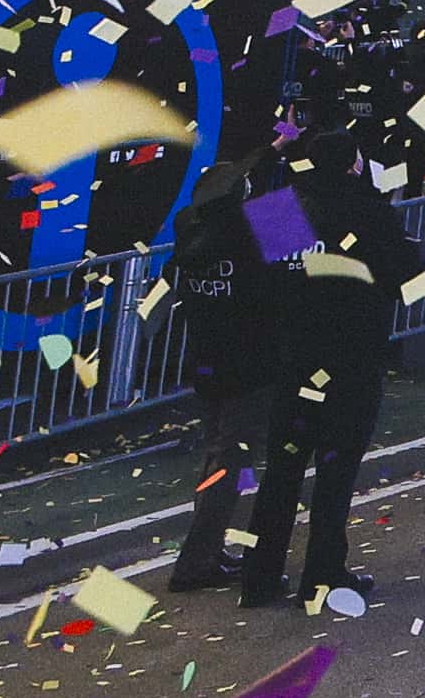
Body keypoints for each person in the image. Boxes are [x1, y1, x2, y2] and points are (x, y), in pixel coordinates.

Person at [237, 137, 411, 613]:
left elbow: (263, 286)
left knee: (282, 472)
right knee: (335, 473)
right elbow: (408, 282)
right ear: (352, 167)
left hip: (294, 358)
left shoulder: (279, 211)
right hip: (352, 359)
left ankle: (259, 575)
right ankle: (322, 575)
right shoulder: (369, 212)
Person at [162, 151, 275, 593]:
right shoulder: (258, 226)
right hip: (250, 364)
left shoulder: (188, 228)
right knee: (229, 463)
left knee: (216, 456)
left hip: (206, 361)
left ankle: (207, 552)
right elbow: (302, 259)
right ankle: (194, 563)